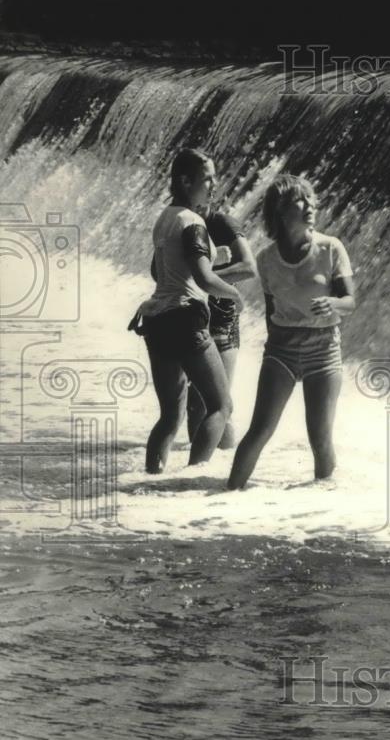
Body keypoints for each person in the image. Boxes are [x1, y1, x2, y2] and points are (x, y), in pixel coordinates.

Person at [228, 174, 355, 490]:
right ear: (281, 211)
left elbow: (350, 302)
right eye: (301, 200)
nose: (310, 205)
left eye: (311, 199)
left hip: (323, 351)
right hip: (281, 350)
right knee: (260, 430)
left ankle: (322, 509)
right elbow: (272, 314)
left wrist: (333, 305)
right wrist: (274, 349)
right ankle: (226, 495)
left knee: (320, 437)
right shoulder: (266, 260)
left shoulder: (330, 249)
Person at [130, 148, 243, 473]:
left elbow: (175, 263)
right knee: (221, 405)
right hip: (185, 319)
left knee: (170, 416)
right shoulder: (194, 222)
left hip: (157, 320)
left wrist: (213, 255)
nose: (213, 184)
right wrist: (235, 294)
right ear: (185, 180)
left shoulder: (166, 217)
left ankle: (151, 475)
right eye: (207, 178)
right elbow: (204, 279)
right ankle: (193, 477)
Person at [185, 207, 256, 449]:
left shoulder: (222, 223)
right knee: (195, 403)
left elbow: (249, 267)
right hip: (190, 317)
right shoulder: (181, 221)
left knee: (215, 403)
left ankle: (220, 465)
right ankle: (197, 470)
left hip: (222, 321)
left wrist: (207, 275)